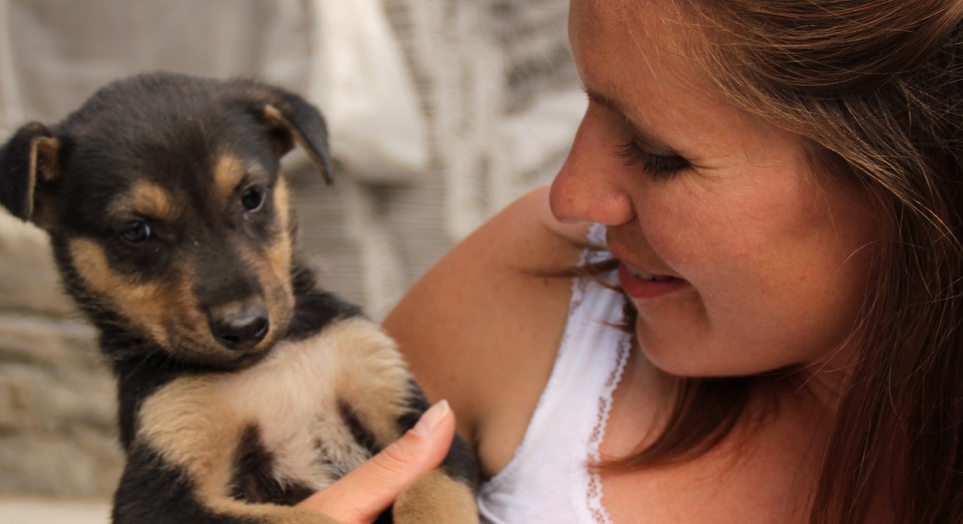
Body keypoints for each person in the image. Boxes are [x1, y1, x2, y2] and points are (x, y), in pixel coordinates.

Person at [297, 0, 963, 522]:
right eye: (586, 103)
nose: (572, 196)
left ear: (924, 187)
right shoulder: (533, 288)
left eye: (657, 153)